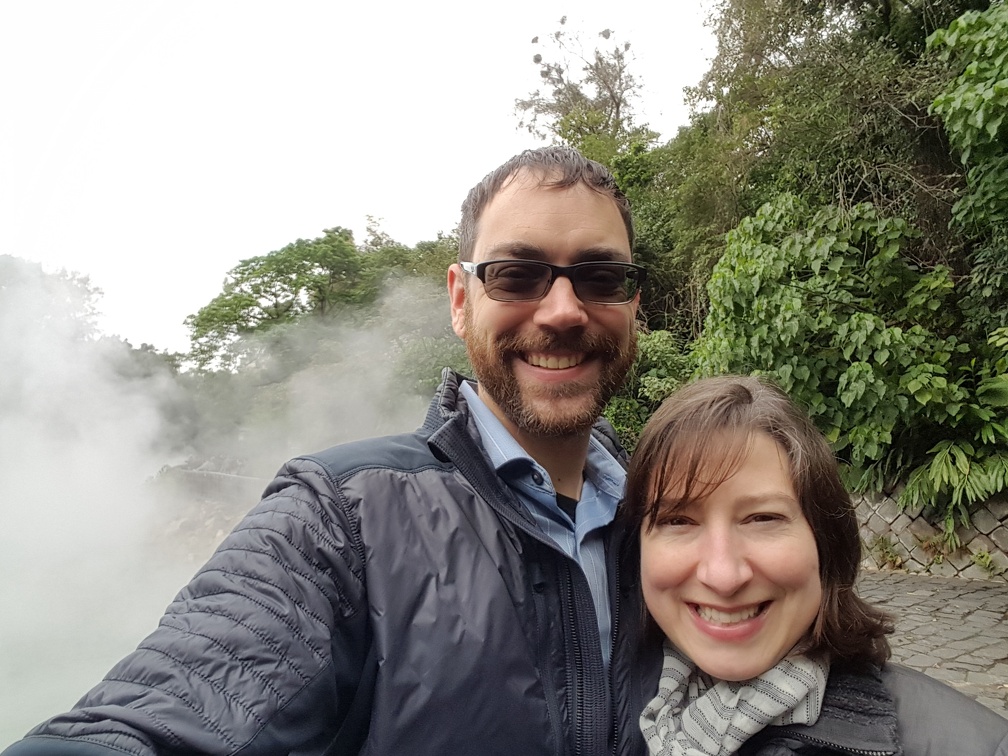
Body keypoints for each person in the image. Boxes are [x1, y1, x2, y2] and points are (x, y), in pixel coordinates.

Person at [2, 147, 657, 756]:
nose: (564, 311)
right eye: (518, 275)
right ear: (461, 301)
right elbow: (156, 717)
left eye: (600, 277)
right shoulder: (341, 518)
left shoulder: (677, 517)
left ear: (633, 303)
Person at [623, 375, 1008, 756]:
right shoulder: (619, 720)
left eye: (763, 519)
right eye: (678, 521)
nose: (723, 576)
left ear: (827, 543)